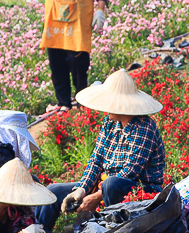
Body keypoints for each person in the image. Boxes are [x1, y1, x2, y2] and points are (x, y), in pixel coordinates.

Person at [58, 69, 166, 217]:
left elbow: (129, 173)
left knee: (112, 184)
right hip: (106, 185)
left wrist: (96, 196)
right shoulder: (110, 122)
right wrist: (81, 189)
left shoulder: (144, 127)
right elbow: (96, 160)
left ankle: (110, 224)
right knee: (54, 190)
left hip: (139, 191)